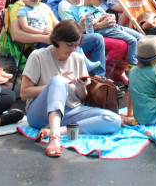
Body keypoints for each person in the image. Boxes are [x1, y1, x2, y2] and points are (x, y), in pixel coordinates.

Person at [20, 21, 123, 157]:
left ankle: (58, 130)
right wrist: (52, 86)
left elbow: (82, 98)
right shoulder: (38, 56)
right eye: (69, 45)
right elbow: (24, 93)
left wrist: (81, 89)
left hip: (70, 111)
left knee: (114, 120)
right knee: (58, 81)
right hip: (40, 114)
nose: (73, 49)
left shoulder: (78, 58)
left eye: (76, 45)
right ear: (56, 40)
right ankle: (54, 138)